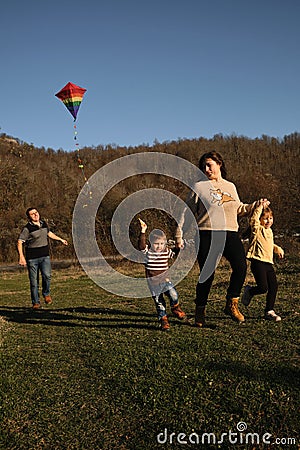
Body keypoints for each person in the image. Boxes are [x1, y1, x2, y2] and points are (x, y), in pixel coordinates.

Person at [175, 151, 265, 327]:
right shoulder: (199, 187)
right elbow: (185, 212)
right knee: (207, 274)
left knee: (240, 266)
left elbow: (239, 209)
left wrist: (255, 205)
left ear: (219, 164)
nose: (206, 169)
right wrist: (178, 235)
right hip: (207, 233)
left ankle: (232, 303)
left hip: (230, 232)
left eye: (209, 164)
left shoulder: (230, 186)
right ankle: (200, 310)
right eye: (203, 166)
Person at [138, 218, 187, 331]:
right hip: (153, 284)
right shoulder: (148, 252)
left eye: (161, 243)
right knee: (159, 302)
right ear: (151, 243)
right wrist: (143, 231)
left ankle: (175, 308)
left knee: (173, 294)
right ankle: (163, 320)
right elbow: (141, 246)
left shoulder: (166, 251)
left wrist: (179, 247)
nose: (159, 246)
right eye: (156, 244)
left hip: (165, 280)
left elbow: (175, 252)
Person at [17, 207, 68, 309]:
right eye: (32, 214)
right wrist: (21, 257)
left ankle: (46, 294)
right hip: (32, 258)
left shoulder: (44, 223)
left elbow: (49, 234)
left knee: (47, 276)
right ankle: (36, 302)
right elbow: (19, 242)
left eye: (36, 212)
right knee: (34, 282)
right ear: (29, 217)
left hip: (44, 256)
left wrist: (61, 239)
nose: (35, 215)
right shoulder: (27, 228)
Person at [241, 201, 284, 321]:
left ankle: (269, 311)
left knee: (274, 286)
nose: (268, 221)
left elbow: (270, 244)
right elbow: (254, 219)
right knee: (263, 287)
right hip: (257, 262)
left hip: (268, 263)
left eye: (270, 218)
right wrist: (259, 207)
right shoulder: (257, 229)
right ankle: (249, 291)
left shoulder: (269, 231)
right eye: (265, 219)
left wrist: (277, 248)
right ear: (260, 220)